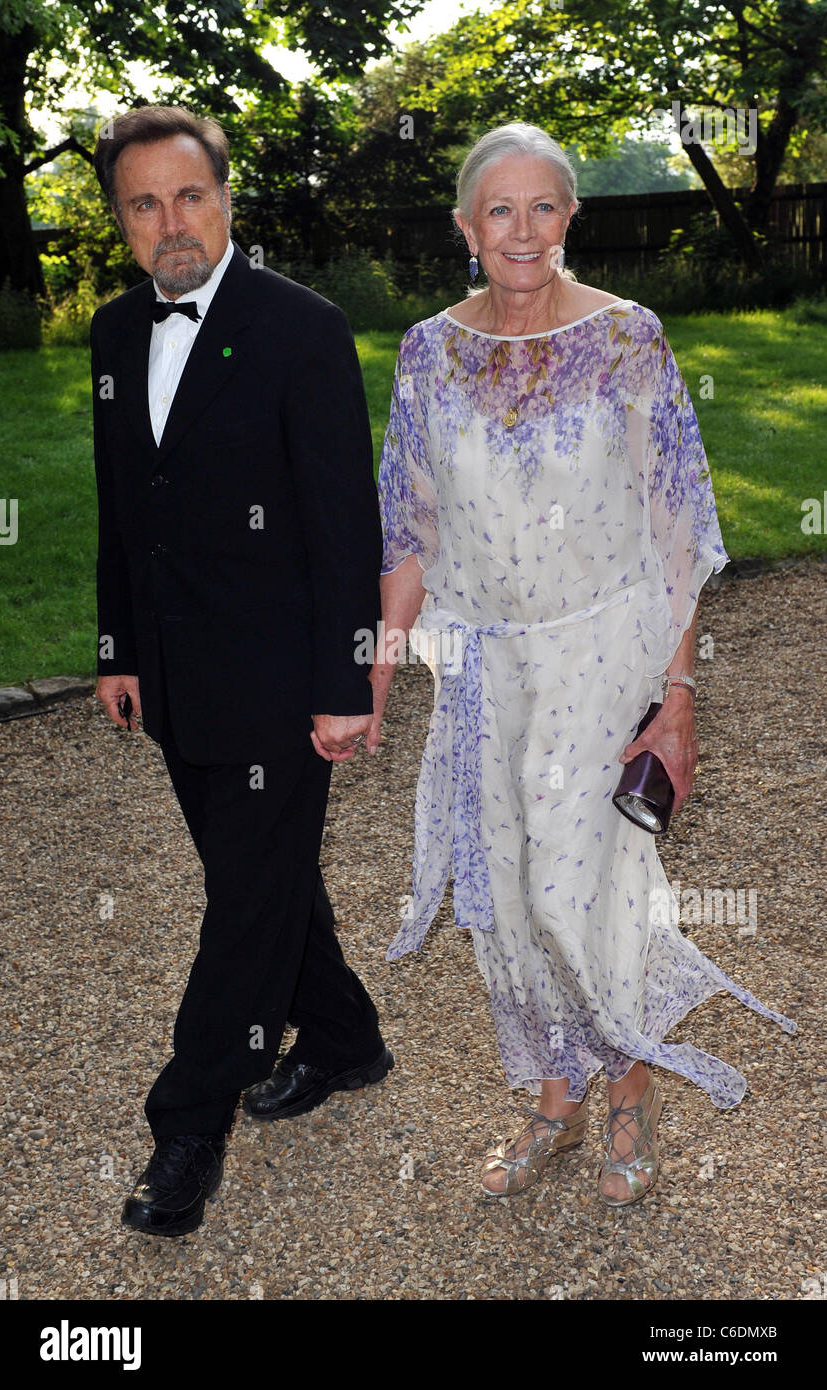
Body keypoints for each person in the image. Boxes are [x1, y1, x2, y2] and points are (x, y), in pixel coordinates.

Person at [368, 123, 796, 1206]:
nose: (522, 231)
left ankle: (631, 1089)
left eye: (543, 207)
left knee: (582, 880)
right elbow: (406, 533)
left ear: (571, 217)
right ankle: (558, 1092)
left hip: (604, 647)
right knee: (508, 885)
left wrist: (680, 695)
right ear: (467, 228)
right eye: (498, 211)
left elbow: (677, 527)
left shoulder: (629, 337)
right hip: (479, 665)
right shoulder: (426, 352)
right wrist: (372, 671)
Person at [91, 105, 391, 1237]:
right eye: (144, 203)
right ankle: (349, 1040)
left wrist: (343, 682)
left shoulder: (302, 329)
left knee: (241, 913)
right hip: (172, 678)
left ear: (227, 198)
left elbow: (341, 525)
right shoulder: (117, 335)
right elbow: (125, 511)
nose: (172, 223)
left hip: (280, 684)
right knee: (261, 887)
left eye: (191, 197)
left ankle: (187, 1125)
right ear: (121, 219)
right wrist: (118, 647)